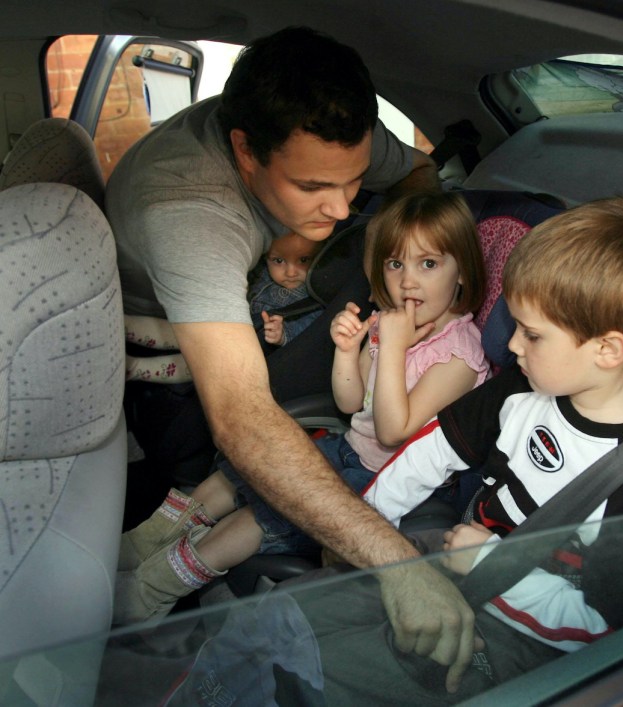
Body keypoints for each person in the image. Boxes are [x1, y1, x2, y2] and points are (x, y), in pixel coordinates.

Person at [106, 26, 479, 692]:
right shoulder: (190, 208)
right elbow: (243, 416)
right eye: (313, 187)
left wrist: (388, 255)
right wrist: (396, 562)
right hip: (164, 336)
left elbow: (418, 177)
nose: (341, 208)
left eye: (356, 182)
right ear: (246, 152)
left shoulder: (335, 139)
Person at [294, 197, 623, 703]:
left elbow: (603, 626)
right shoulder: (519, 391)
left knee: (324, 671)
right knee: (296, 613)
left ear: (608, 350)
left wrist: (490, 566)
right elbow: (431, 451)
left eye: (533, 334)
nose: (514, 346)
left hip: (518, 639)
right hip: (449, 564)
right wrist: (365, 524)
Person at [114, 191, 491, 624]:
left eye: (429, 264)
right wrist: (349, 351)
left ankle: (155, 589)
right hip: (349, 448)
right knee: (242, 468)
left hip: (384, 481)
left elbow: (392, 431)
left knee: (267, 511)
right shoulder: (392, 324)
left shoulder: (458, 356)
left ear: (461, 271)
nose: (408, 281)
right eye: (395, 264)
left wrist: (394, 347)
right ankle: (151, 539)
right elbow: (352, 403)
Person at [123, 231, 322, 382]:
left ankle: (134, 368)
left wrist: (282, 334)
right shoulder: (261, 270)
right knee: (182, 331)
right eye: (278, 260)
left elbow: (309, 332)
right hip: (222, 322)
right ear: (267, 257)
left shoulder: (313, 296)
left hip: (244, 347)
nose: (291, 271)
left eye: (304, 260)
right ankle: (122, 325)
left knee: (202, 365)